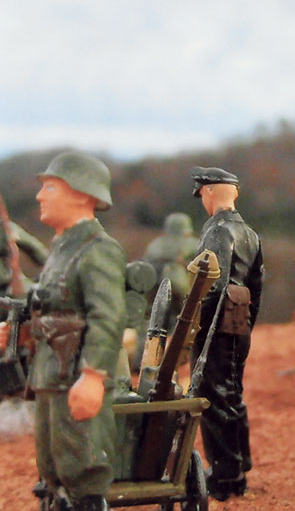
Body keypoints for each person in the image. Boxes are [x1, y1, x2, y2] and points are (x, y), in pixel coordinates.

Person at [0, 151, 127, 511]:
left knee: (82, 471)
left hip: (75, 377)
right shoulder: (61, 249)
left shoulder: (97, 250)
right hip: (49, 375)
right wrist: (20, 330)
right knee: (52, 469)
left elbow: (108, 317)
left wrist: (93, 376)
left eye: (51, 187)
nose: (40, 196)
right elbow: (50, 306)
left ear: (82, 194)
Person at [189, 166, 263, 502]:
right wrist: (245, 324)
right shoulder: (249, 233)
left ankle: (224, 475)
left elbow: (212, 286)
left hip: (216, 329)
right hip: (238, 324)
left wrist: (196, 327)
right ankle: (237, 468)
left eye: (201, 194)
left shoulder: (217, 231)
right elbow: (257, 287)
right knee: (232, 394)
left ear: (208, 192)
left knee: (213, 396)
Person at [142, 212, 198, 325]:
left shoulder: (156, 244)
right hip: (179, 285)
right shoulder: (193, 243)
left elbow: (145, 261)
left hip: (152, 284)